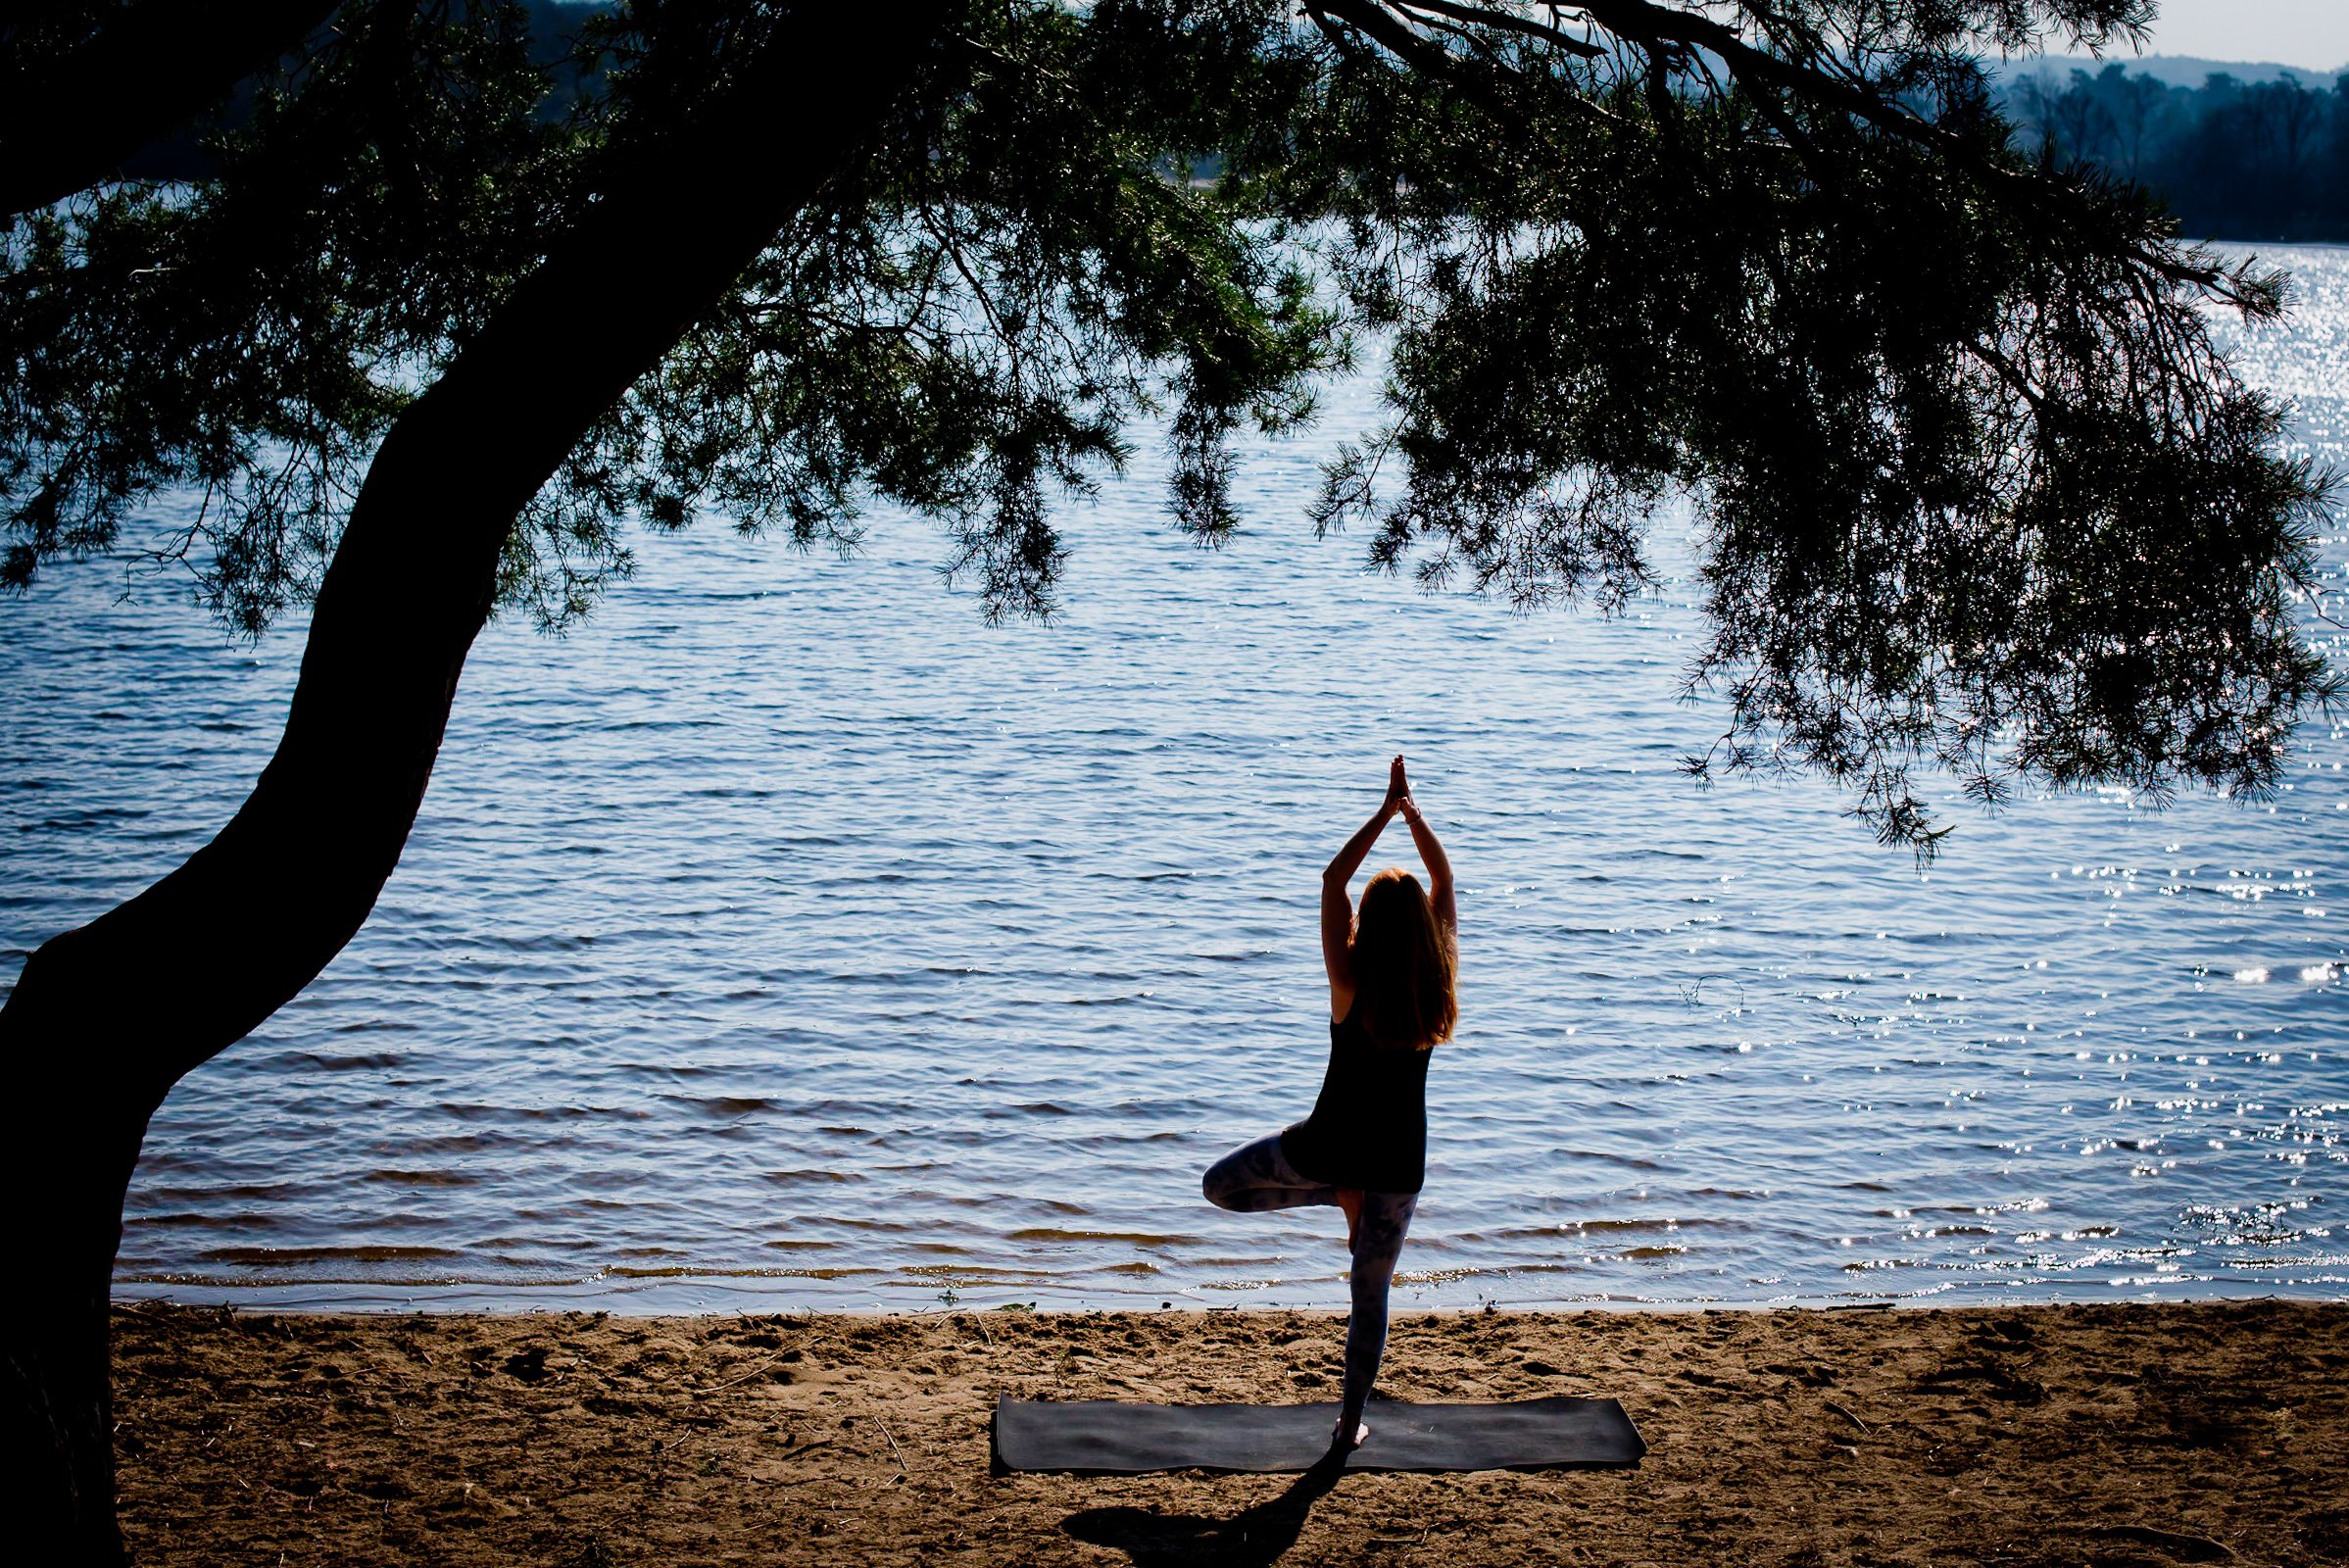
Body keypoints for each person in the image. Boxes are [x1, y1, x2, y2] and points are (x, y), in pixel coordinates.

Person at [1201, 754, 1457, 1451]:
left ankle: (1337, 1194)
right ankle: (1348, 1425)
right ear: (1424, 936)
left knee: (1218, 1188)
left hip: (1329, 1148)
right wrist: (1415, 817)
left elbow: (1331, 880)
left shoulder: (1347, 984)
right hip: (1399, 1165)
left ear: (1367, 928)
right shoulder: (1435, 991)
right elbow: (1442, 882)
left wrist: (1385, 812)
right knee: (1368, 1295)